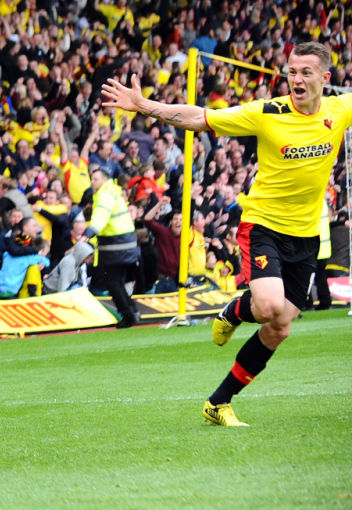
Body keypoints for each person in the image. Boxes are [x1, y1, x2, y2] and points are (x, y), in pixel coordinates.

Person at [101, 41, 350, 426]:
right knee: (267, 306)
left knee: (280, 326)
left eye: (306, 73)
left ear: (325, 78)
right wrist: (146, 106)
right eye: (292, 72)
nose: (297, 79)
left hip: (306, 236)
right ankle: (234, 309)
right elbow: (200, 117)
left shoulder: (340, 109)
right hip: (264, 225)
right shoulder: (267, 113)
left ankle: (218, 403)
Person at [81, 167, 141, 327]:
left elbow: (101, 217)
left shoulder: (104, 195)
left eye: (95, 179)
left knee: (112, 282)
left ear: (105, 180)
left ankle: (128, 315)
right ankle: (132, 311)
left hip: (116, 246)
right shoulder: (114, 192)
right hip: (124, 243)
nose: (92, 182)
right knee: (117, 281)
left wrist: (89, 233)